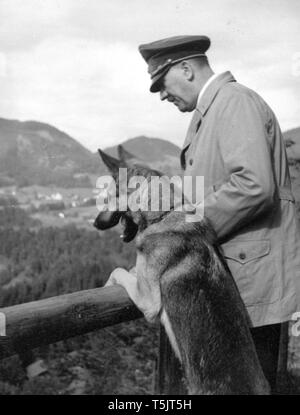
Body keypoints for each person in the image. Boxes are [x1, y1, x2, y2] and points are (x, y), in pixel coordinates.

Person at [138, 35, 300, 393]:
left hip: (252, 286)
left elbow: (253, 185)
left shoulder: (233, 102)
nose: (162, 95)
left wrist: (182, 229)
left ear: (185, 69)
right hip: (236, 285)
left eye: (161, 83)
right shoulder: (213, 110)